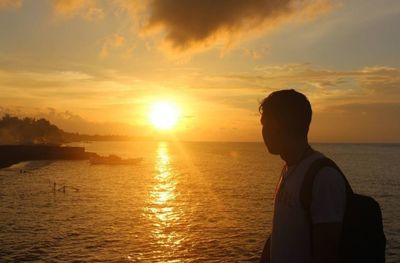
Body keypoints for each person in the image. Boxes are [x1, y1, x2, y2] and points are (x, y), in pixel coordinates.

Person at [259, 89, 347, 263]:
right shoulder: (289, 169)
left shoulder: (323, 177)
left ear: (278, 125)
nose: (262, 131)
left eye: (264, 123)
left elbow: (327, 254)